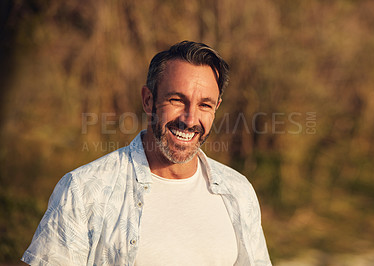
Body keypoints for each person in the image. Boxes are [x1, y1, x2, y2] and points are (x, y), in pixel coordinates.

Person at [22, 41, 272, 265]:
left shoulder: (238, 193)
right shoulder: (83, 191)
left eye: (204, 105)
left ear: (216, 108)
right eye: (177, 100)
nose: (190, 119)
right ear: (148, 100)